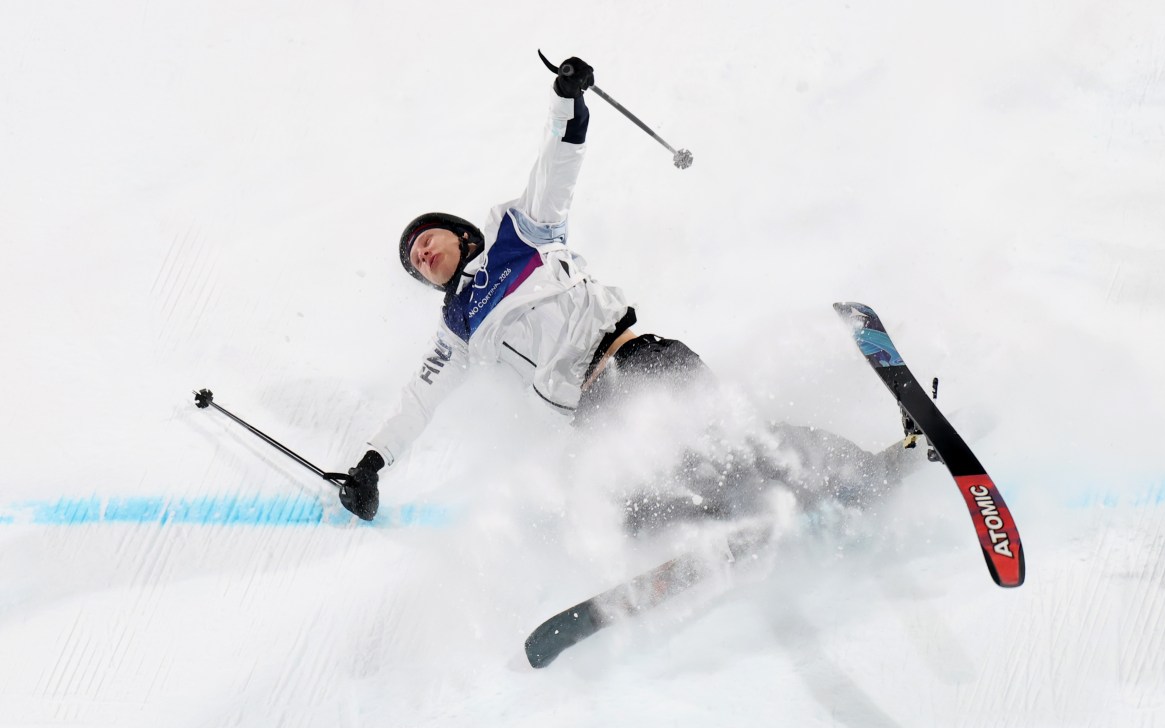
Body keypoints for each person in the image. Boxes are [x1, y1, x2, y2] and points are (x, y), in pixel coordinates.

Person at [339, 55, 913, 523]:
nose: (421, 252)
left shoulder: (520, 231)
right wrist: (370, 464)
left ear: (460, 233)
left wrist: (568, 98)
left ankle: (861, 474)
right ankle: (741, 525)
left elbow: (557, 164)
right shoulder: (457, 328)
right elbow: (418, 401)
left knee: (729, 448)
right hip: (593, 413)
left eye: (425, 238)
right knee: (633, 511)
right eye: (416, 263)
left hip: (636, 360)